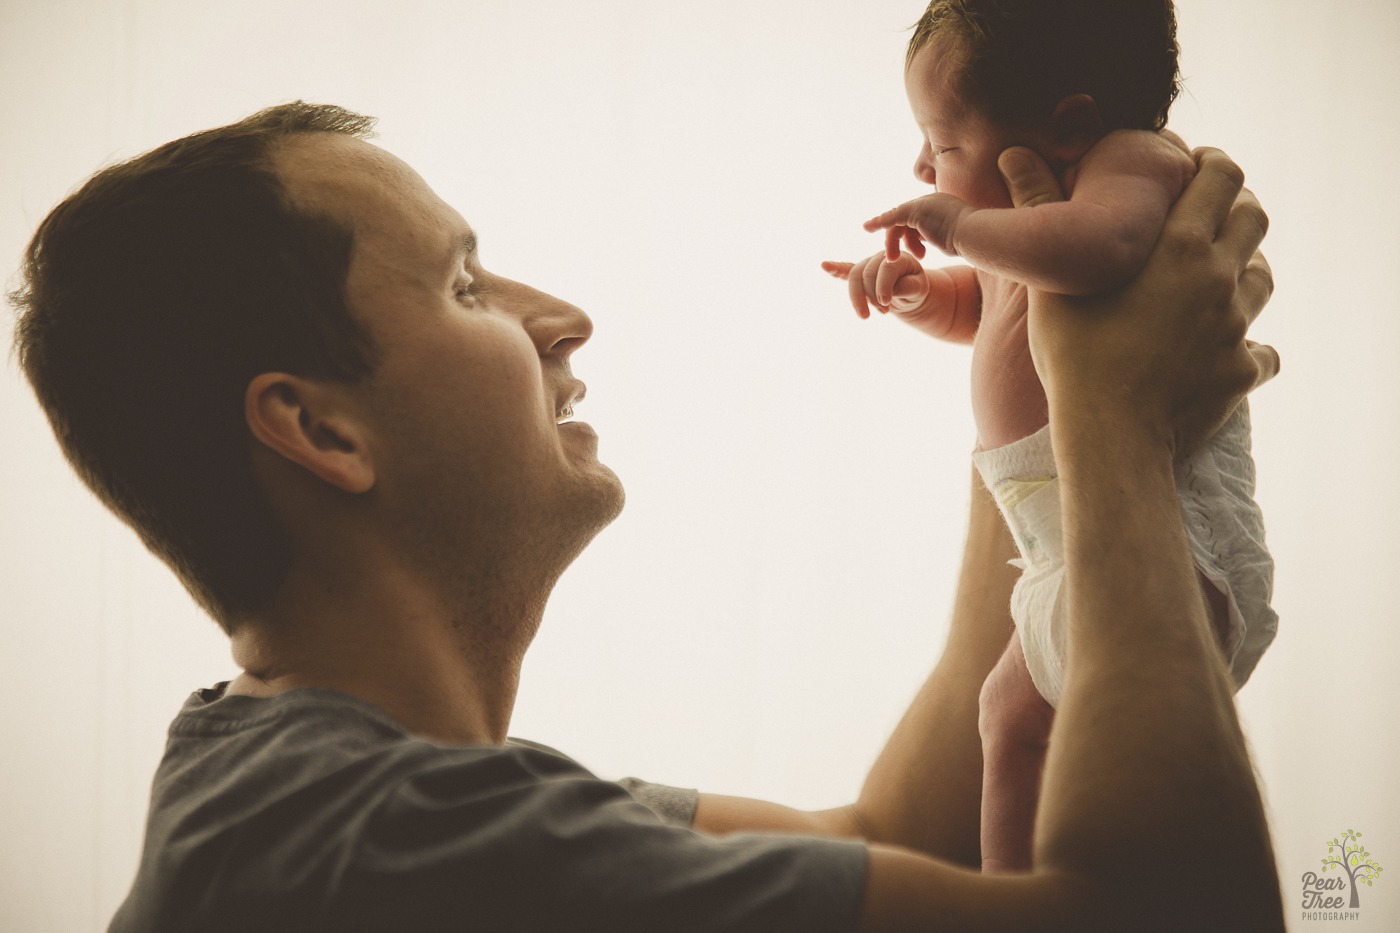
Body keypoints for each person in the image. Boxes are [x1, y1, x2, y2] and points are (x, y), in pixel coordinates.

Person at [10, 99, 1283, 931]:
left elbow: (901, 836)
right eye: (463, 286)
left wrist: (1026, 380)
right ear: (322, 432)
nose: (559, 314)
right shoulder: (381, 851)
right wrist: (1110, 425)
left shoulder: (356, 798)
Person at [822, 0, 1278, 875]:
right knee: (1005, 714)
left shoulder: (1131, 164)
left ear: (1068, 126)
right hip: (1065, 541)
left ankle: (1040, 892)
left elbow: (1098, 247)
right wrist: (924, 294)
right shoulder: (1026, 237)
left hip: (1171, 541)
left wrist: (957, 224)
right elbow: (985, 306)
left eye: (944, 144)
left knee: (1063, 737)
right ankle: (1020, 892)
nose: (923, 163)